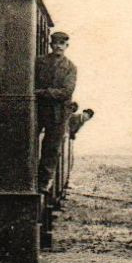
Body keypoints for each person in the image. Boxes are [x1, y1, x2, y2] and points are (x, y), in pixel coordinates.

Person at [35, 31, 79, 197]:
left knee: (51, 148)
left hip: (58, 113)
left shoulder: (70, 67)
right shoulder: (39, 62)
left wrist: (42, 92)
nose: (59, 46)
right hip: (38, 109)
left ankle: (43, 182)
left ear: (67, 46)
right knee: (29, 142)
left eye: (62, 44)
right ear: (51, 45)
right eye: (56, 43)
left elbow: (66, 92)